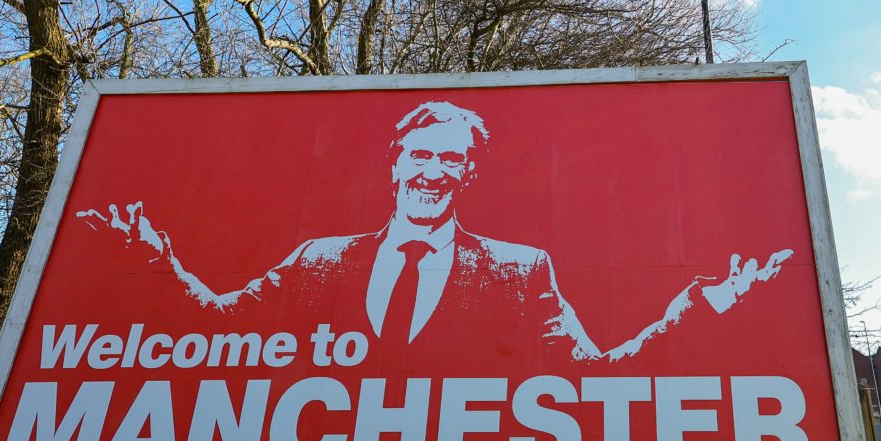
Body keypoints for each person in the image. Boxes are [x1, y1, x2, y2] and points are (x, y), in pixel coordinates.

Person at [81, 100, 793, 362]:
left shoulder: (521, 271)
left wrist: (705, 307)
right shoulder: (320, 260)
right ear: (395, 165)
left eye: (452, 160)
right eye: (421, 155)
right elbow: (218, 332)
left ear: (470, 176)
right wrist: (154, 263)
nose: (434, 172)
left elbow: (597, 376)